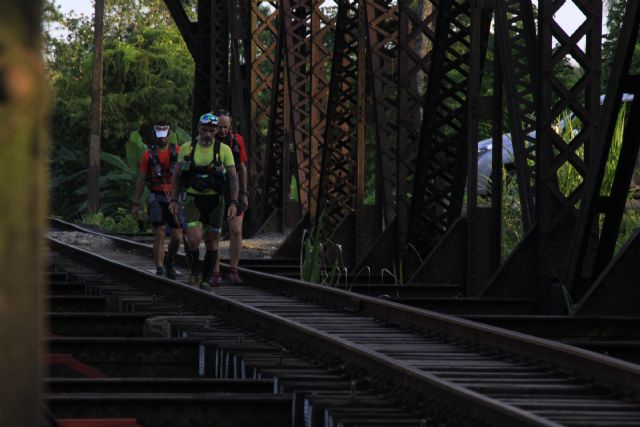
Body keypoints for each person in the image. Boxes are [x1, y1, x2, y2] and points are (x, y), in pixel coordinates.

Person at [169, 113, 239, 289]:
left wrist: (234, 202)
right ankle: (193, 271)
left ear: (216, 130)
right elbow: (176, 176)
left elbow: (233, 178)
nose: (208, 134)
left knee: (212, 240)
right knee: (194, 239)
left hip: (216, 200)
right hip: (193, 198)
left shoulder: (224, 150)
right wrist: (174, 200)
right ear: (199, 128)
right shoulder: (187, 148)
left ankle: (206, 278)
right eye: (204, 130)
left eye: (211, 130)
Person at [131, 121, 183, 279]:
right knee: (159, 233)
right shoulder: (147, 155)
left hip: (174, 197)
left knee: (177, 236)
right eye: (159, 136)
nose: (162, 139)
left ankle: (170, 260)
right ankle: (159, 267)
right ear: (154, 135)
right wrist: (136, 203)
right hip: (156, 195)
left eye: (165, 135)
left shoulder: (178, 151)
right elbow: (141, 179)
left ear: (169, 135)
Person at [215, 109, 249, 284]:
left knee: (236, 230)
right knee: (214, 232)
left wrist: (245, 193)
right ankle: (215, 271)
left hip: (233, 189)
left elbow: (242, 167)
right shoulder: (208, 140)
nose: (222, 131)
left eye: (225, 127)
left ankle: (234, 269)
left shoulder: (237, 140)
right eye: (219, 127)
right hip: (213, 189)